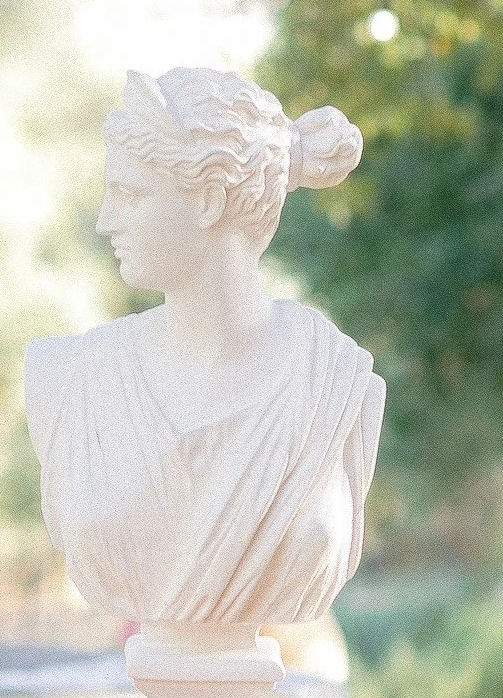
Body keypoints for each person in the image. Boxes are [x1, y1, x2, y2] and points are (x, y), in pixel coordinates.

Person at [25, 70, 383, 667]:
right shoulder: (70, 380)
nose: (106, 220)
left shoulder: (336, 386)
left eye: (130, 193)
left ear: (210, 200)